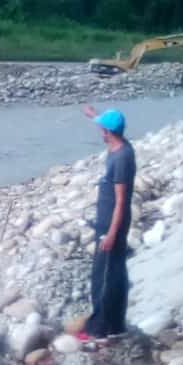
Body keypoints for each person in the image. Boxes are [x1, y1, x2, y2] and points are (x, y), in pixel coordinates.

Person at [78, 105, 136, 344]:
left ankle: (98, 330)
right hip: (110, 222)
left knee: (102, 276)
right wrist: (94, 115)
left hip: (112, 224)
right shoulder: (120, 145)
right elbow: (107, 125)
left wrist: (111, 234)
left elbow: (121, 201)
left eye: (102, 128)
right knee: (116, 272)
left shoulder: (121, 158)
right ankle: (115, 324)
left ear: (108, 132)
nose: (99, 131)